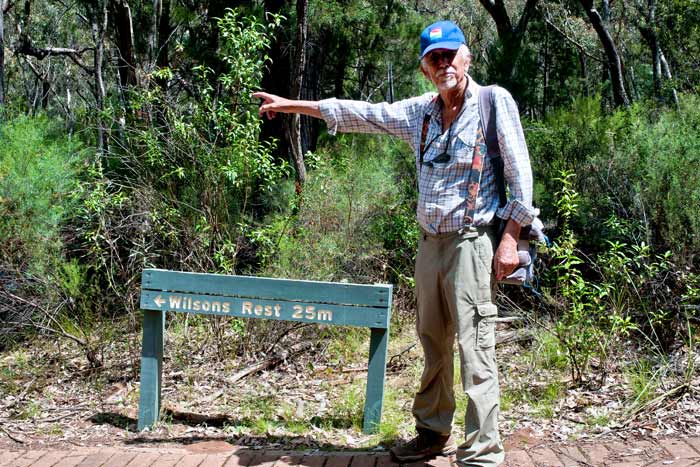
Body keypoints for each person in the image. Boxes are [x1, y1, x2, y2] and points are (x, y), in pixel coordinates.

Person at [254, 20, 536, 467]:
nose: (443, 64)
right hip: (429, 245)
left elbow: (521, 179)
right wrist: (291, 105)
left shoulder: (493, 102)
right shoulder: (419, 113)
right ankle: (430, 433)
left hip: (471, 243)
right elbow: (359, 112)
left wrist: (509, 240)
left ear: (467, 56)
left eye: (450, 55)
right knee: (432, 341)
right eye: (433, 58)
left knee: (475, 345)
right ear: (425, 69)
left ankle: (482, 451)